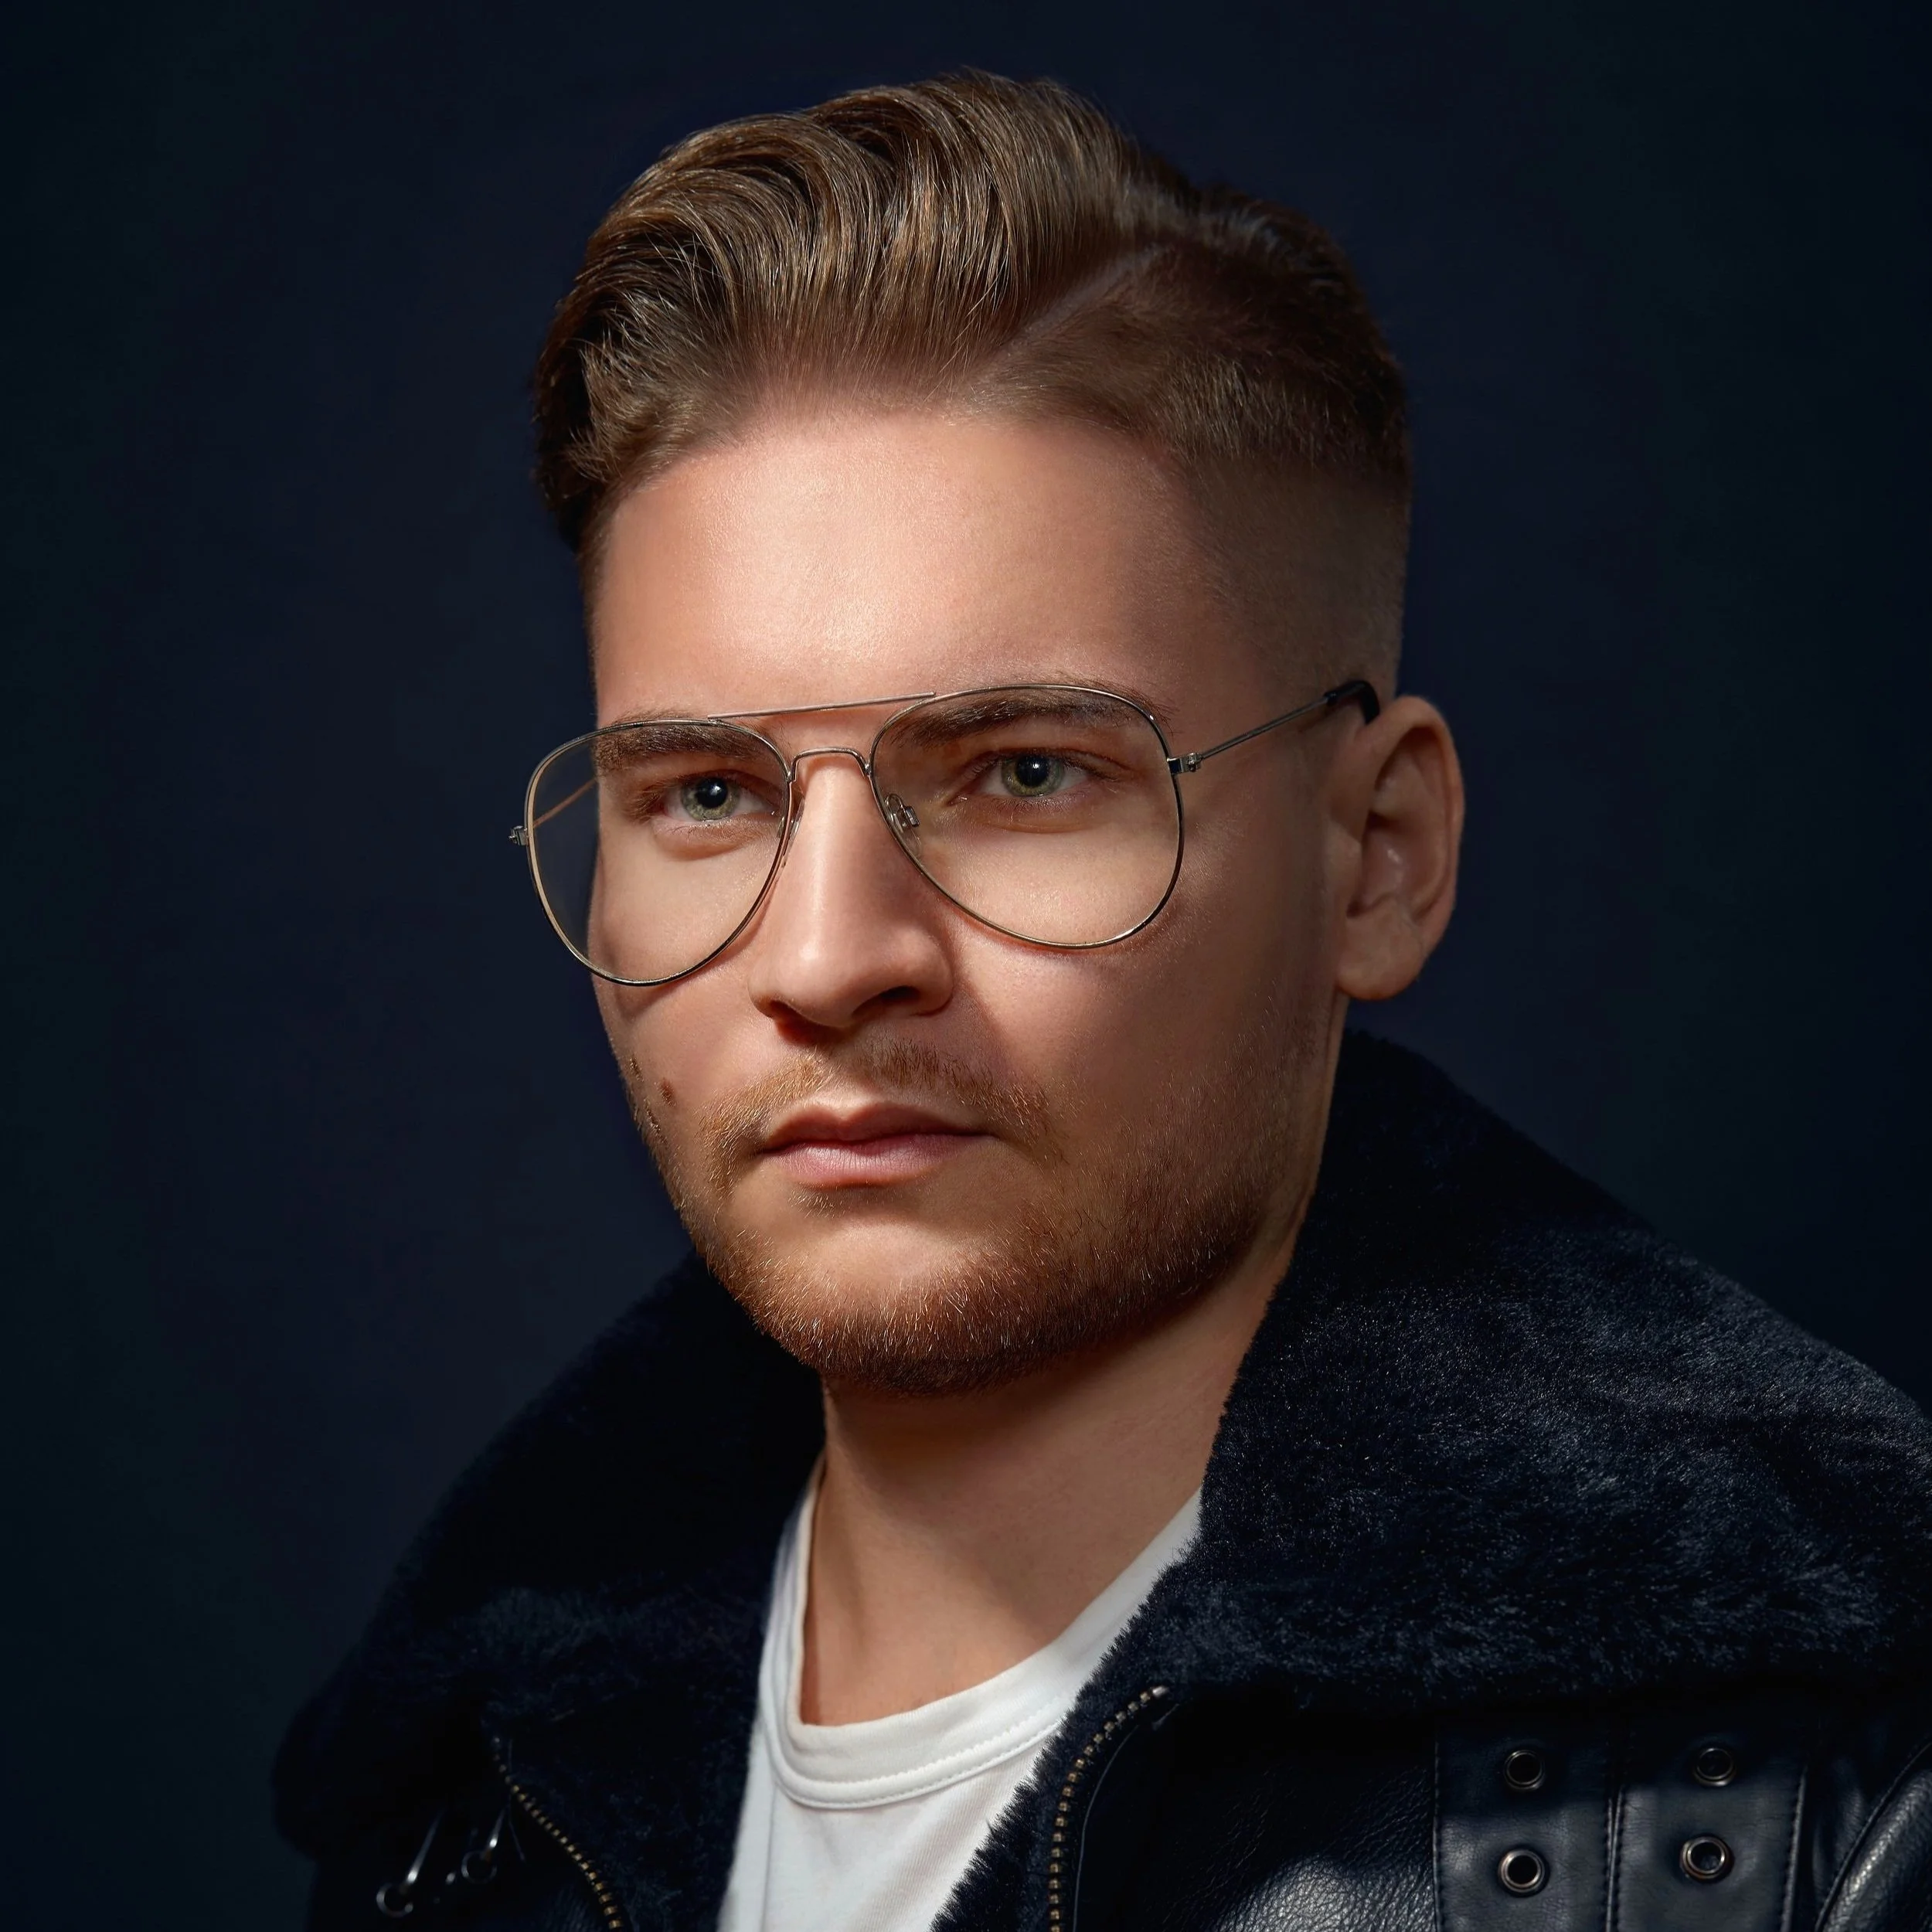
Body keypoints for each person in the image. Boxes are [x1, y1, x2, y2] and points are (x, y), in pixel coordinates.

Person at [275, 72, 1932, 1932]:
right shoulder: (458, 1777)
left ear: (1374, 854)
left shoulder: (1823, 1796)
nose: (823, 959)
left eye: (1024, 774)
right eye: (710, 793)